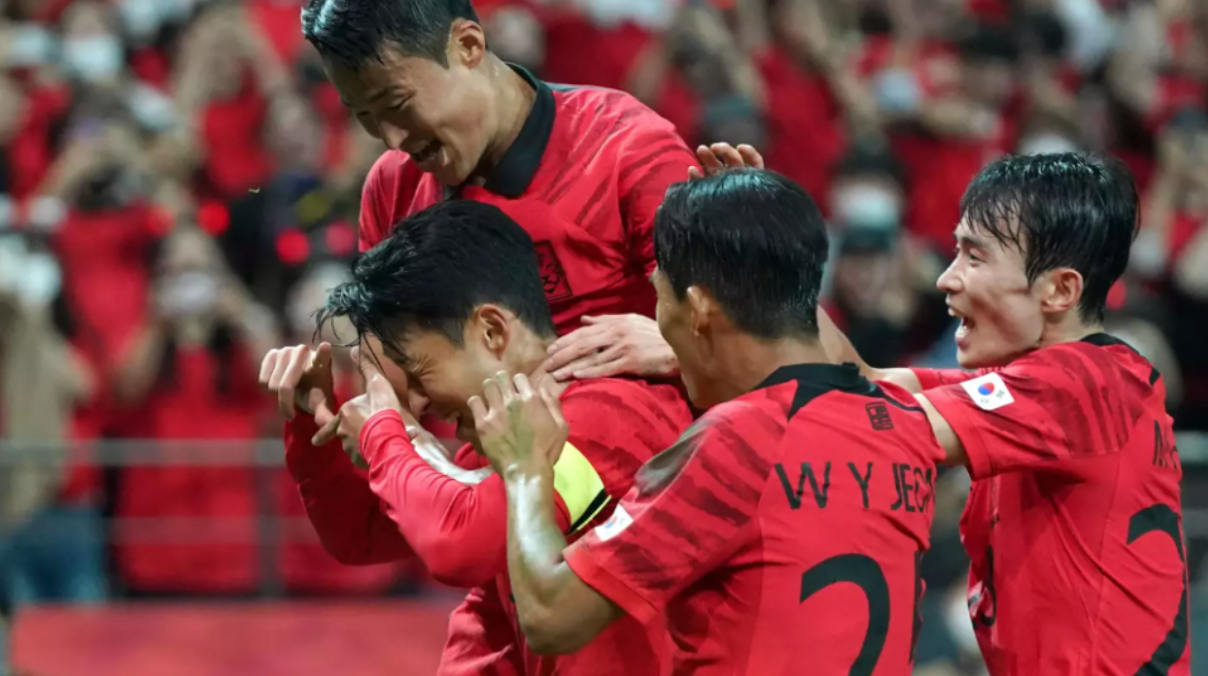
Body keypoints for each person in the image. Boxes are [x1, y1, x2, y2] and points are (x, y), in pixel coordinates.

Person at [469, 169, 946, 675]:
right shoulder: (906, 419)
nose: (658, 324)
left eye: (659, 297)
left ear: (697, 308)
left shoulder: (734, 444)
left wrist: (523, 468)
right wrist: (762, 228)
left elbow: (551, 614)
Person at [283, 200, 694, 675]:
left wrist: (385, 434)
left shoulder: (606, 416)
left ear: (493, 330)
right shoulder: (507, 435)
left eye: (419, 372)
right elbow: (363, 535)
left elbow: (461, 545)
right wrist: (310, 425)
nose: (416, 404)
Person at [821, 152, 1190, 675]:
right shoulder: (1040, 388)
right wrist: (760, 252)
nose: (946, 279)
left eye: (974, 258)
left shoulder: (1082, 387)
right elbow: (864, 383)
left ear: (1059, 290)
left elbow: (884, 426)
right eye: (956, 252)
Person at [293, 0, 751, 392]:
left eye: (397, 104)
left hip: (641, 459)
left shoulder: (625, 149)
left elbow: (742, 345)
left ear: (467, 46)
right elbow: (392, 383)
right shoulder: (392, 188)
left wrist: (677, 350)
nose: (390, 138)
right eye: (364, 116)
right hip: (472, 468)